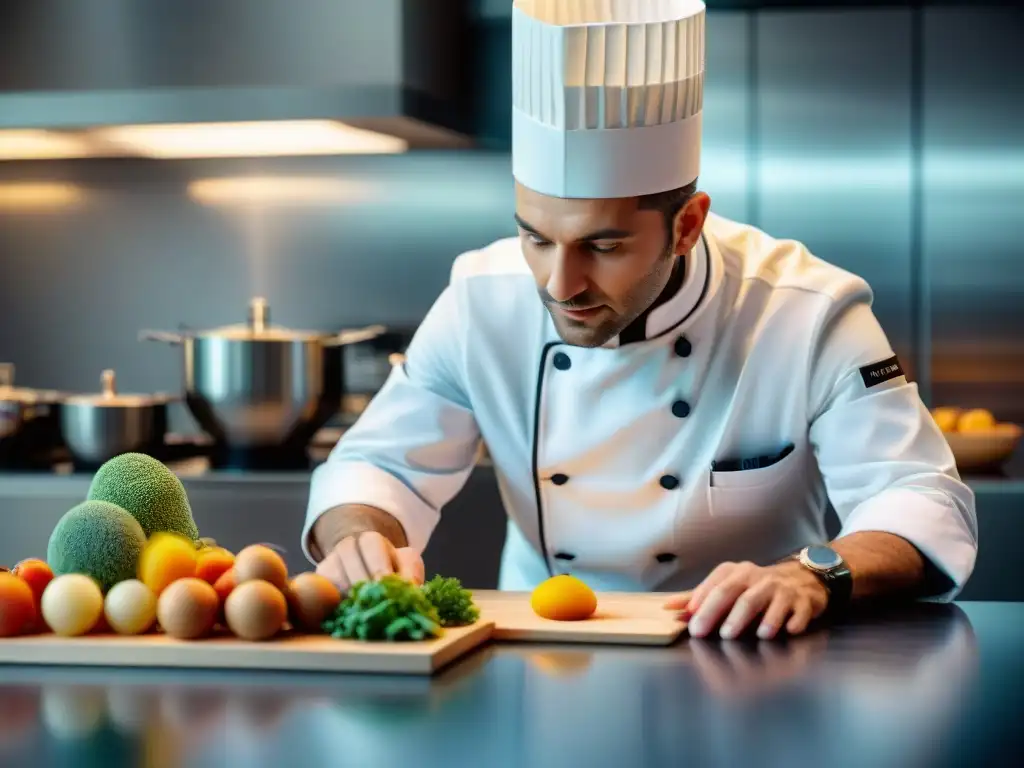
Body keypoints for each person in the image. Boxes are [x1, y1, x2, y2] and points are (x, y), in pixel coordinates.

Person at [300, 0, 977, 640]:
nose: (559, 285)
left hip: (753, 652)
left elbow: (917, 495)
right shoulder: (482, 300)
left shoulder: (807, 312)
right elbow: (379, 465)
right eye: (536, 238)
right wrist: (362, 538)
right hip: (543, 651)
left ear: (686, 226)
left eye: (603, 245)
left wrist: (814, 575)